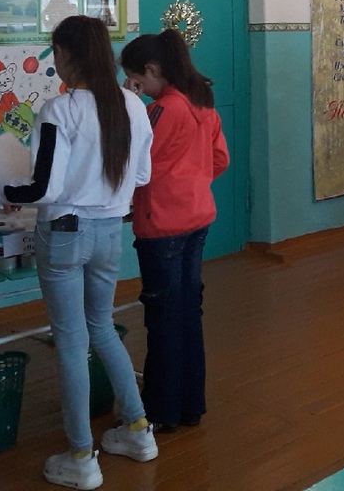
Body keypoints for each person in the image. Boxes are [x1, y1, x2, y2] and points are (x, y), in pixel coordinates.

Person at [0, 16, 156, 489]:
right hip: (110, 232)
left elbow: (43, 188)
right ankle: (138, 430)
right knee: (101, 326)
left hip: (64, 232)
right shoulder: (133, 105)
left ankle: (82, 455)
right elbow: (142, 177)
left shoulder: (59, 110)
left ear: (66, 54)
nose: (55, 60)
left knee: (70, 340)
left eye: (56, 53)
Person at [120, 30, 229, 433]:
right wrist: (193, 182)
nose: (136, 87)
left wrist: (127, 103)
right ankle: (190, 405)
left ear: (151, 70)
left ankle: (161, 410)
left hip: (162, 224)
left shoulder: (161, 110)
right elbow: (220, 159)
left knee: (163, 319)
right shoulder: (203, 104)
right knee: (187, 313)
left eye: (136, 80)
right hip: (197, 219)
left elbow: (135, 161)